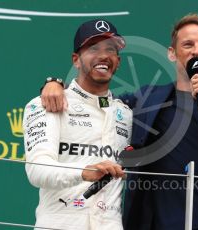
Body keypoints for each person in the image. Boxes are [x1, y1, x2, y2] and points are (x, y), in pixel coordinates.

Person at [40, 14, 198, 230]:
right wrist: (56, 83)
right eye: (188, 45)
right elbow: (96, 99)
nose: (196, 52)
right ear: (172, 53)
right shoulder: (146, 100)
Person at [23, 19, 132, 230]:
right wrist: (84, 171)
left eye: (110, 49)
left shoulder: (126, 113)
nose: (103, 55)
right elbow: (37, 170)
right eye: (93, 48)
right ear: (76, 60)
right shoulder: (48, 102)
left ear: (117, 61)